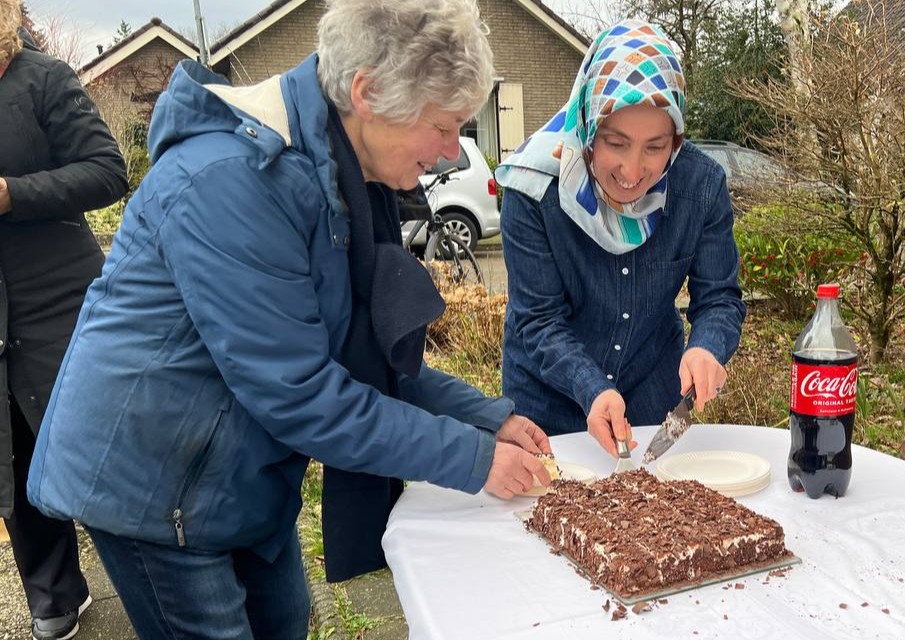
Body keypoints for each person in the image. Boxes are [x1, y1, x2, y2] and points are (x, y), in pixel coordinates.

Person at [27, 0, 551, 637]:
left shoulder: (342, 178)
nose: (449, 153)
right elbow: (301, 392)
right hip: (157, 485)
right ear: (367, 93)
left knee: (286, 624)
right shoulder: (234, 179)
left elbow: (362, 355)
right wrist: (473, 458)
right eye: (442, 127)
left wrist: (486, 418)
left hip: (239, 467)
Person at [497, 20, 746, 456]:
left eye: (655, 147)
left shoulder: (701, 187)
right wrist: (591, 387)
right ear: (589, 126)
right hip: (547, 403)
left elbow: (720, 298)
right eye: (616, 143)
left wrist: (707, 347)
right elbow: (538, 320)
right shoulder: (532, 189)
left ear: (676, 140)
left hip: (649, 396)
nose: (633, 171)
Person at [0, 1, 129, 637]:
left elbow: (108, 172)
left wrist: (12, 193)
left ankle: (150, 574)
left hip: (61, 303)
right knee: (14, 453)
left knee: (97, 448)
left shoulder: (43, 78)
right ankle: (53, 594)